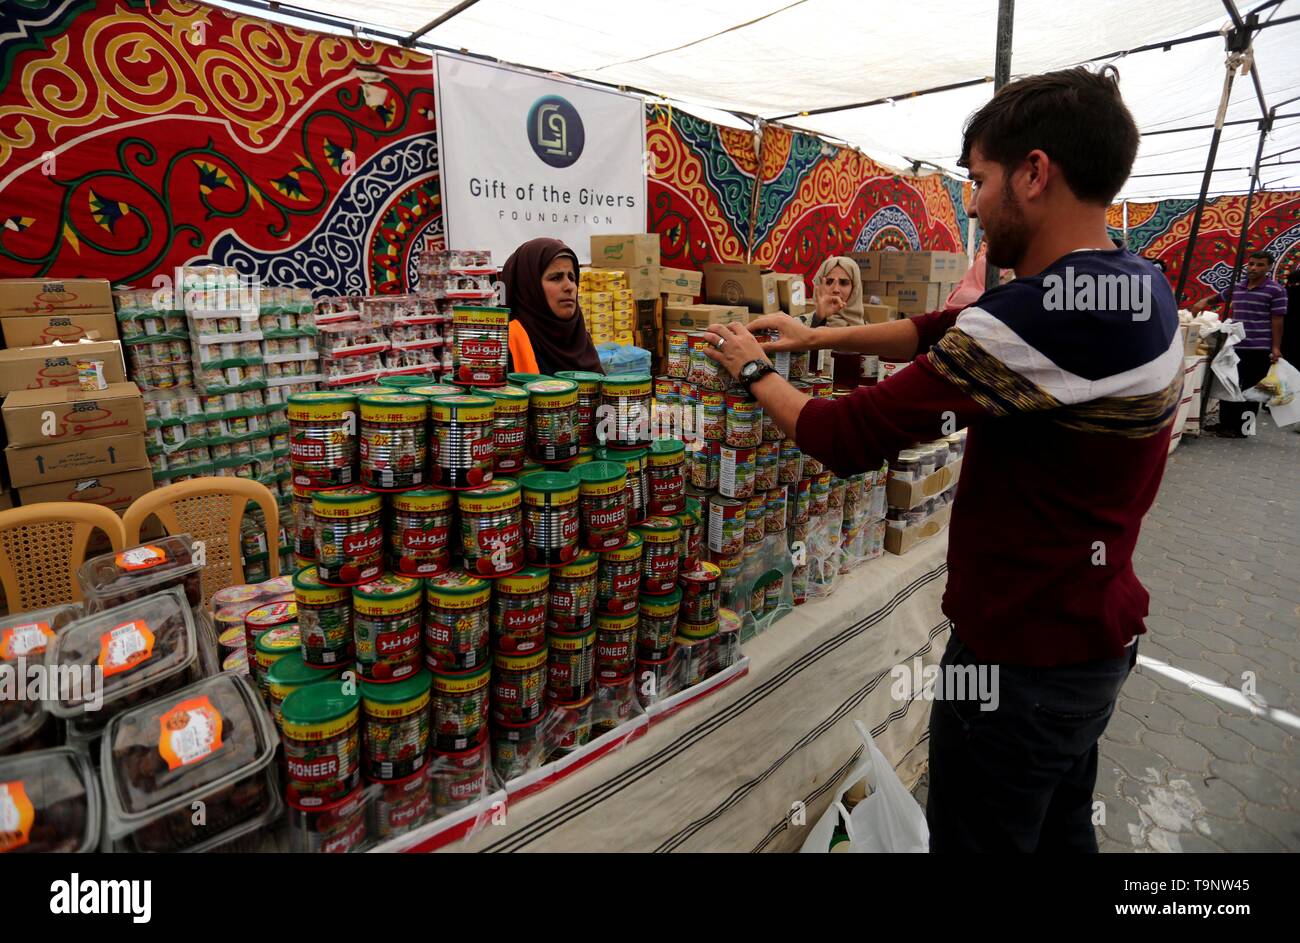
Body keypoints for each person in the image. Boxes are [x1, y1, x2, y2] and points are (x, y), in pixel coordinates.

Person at [704, 65, 1180, 852]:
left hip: (1016, 668)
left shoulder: (1041, 317)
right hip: (1094, 646)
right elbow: (942, 329)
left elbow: (843, 436)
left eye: (979, 178)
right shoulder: (1131, 285)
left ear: (1034, 173)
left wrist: (753, 371)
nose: (971, 201)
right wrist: (816, 334)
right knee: (1062, 832)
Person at [1189, 250, 1287, 437]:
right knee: (1229, 385)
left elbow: (1277, 320)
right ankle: (1226, 424)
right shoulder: (1238, 287)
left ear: (1268, 267)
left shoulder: (1276, 290)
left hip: (1258, 347)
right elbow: (1218, 297)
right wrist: (1203, 301)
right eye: (1251, 264)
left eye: (1259, 265)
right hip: (1234, 345)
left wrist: (1275, 347)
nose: (1254, 268)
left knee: (1251, 391)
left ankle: (1243, 429)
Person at [499, 237, 603, 375]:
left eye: (572, 278)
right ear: (529, 287)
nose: (569, 287)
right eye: (556, 278)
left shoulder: (580, 341)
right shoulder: (505, 344)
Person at [806, 256, 865, 327]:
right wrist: (818, 319)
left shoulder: (867, 330)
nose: (836, 290)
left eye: (843, 283)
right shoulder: (800, 323)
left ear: (855, 288)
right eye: (829, 282)